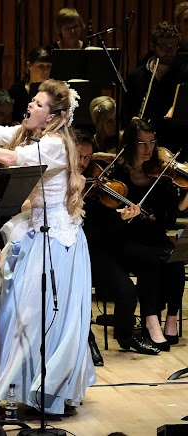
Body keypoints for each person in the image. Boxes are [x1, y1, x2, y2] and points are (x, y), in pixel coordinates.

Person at [0, 79, 96, 415]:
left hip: (57, 240)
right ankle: (22, 387)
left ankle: (43, 390)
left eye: (38, 104)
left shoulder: (56, 144)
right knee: (18, 310)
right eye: (31, 101)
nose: (29, 106)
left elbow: (14, 156)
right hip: (36, 231)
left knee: (37, 314)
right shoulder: (41, 135)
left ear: (52, 116)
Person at [77, 130, 159, 356]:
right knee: (79, 298)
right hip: (70, 252)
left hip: (96, 251)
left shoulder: (97, 186)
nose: (84, 163)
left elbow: (104, 227)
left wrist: (121, 218)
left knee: (127, 292)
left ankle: (125, 336)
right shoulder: (61, 182)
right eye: (79, 157)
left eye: (87, 157)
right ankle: (87, 341)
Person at [109, 119, 187, 351]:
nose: (148, 148)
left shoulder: (161, 173)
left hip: (154, 236)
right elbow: (108, 217)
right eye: (142, 143)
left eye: (152, 142)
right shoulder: (118, 172)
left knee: (175, 261)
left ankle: (171, 318)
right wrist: (123, 215)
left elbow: (171, 215)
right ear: (130, 144)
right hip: (126, 239)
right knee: (151, 262)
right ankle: (150, 319)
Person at [123, 22, 188, 152]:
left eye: (173, 47)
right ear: (153, 46)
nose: (169, 52)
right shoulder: (137, 76)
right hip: (144, 145)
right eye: (164, 47)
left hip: (178, 143)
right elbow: (126, 112)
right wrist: (133, 122)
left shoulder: (185, 74)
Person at [9, 47, 52, 123]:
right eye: (41, 66)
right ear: (29, 65)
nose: (45, 71)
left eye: (48, 66)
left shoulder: (54, 90)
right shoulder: (16, 90)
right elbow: (13, 118)